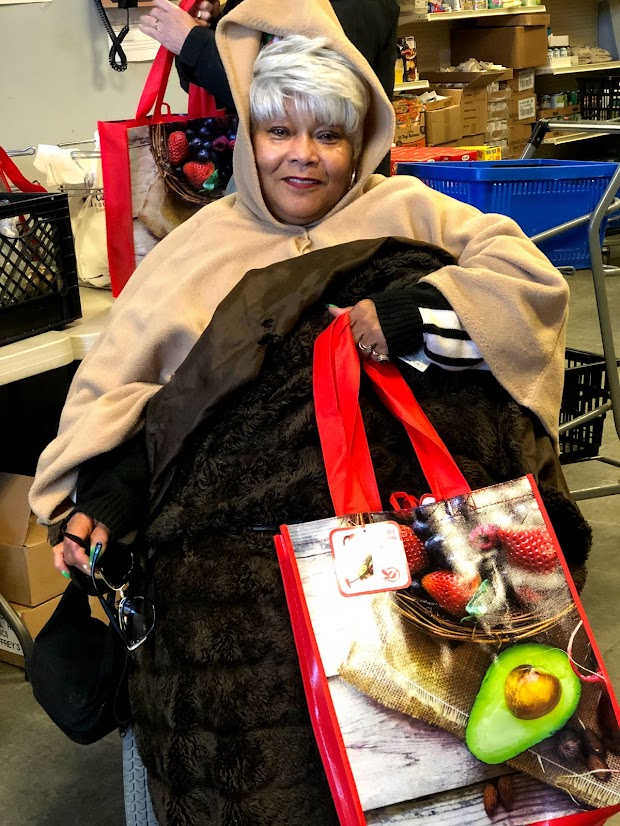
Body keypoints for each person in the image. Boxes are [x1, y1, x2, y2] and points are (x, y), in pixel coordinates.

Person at [30, 1, 588, 823]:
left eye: (328, 134)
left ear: (359, 142)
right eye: (279, 131)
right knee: (264, 740)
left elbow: (528, 285)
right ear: (249, 139)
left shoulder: (413, 211)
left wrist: (412, 311)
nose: (303, 155)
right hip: (252, 567)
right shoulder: (194, 251)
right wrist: (110, 494)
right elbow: (136, 395)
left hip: (418, 528)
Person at [139, 0, 400, 174]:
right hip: (266, 184)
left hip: (317, 194)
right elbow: (220, 94)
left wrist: (193, 42)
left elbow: (305, 99)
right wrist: (214, 27)